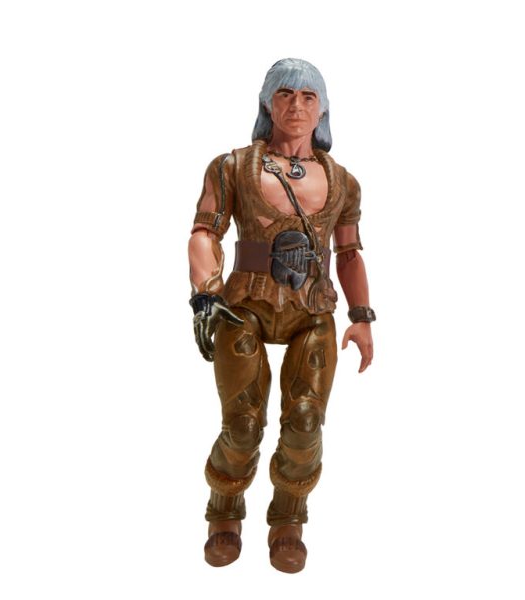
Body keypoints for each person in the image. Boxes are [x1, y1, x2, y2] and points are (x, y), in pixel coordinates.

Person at [187, 58, 375, 573]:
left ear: (323, 110)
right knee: (243, 423)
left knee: (306, 421)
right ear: (267, 104)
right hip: (243, 306)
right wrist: (205, 293)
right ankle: (224, 509)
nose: (296, 105)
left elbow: (350, 254)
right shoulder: (232, 167)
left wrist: (361, 316)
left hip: (312, 310)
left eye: (308, 96)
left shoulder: (343, 182)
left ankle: (289, 519)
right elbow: (204, 232)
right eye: (285, 94)